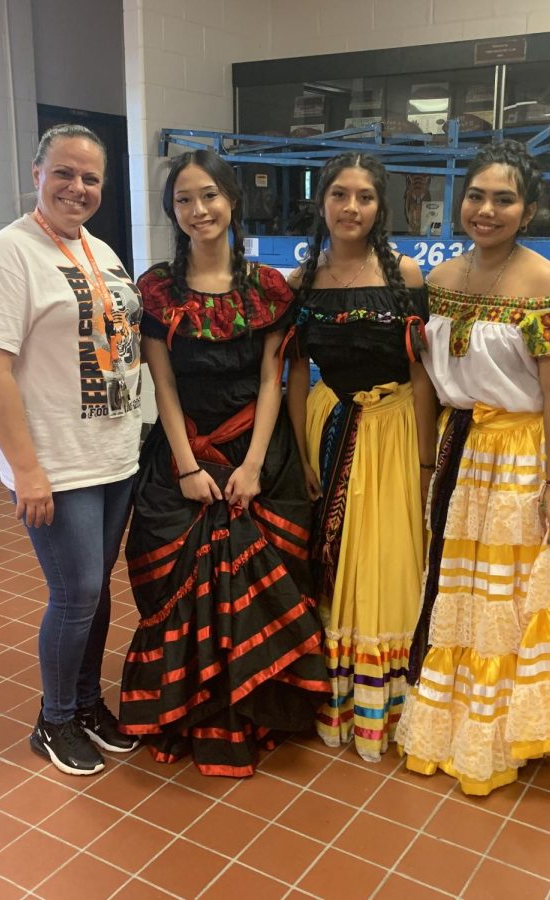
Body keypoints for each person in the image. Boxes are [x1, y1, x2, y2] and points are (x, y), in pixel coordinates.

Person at [397, 140, 550, 796]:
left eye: (504, 199)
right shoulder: (438, 283)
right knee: (465, 590)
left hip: (530, 451)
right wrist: (423, 460)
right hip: (466, 448)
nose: (487, 210)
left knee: (520, 592)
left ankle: (518, 722)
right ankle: (463, 713)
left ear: (527, 209)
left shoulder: (545, 281)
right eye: (476, 196)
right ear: (458, 201)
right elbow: (427, 381)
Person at [118, 149, 328, 777]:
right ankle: (186, 708)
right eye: (183, 199)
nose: (198, 210)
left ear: (232, 200)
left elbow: (273, 378)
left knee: (267, 579)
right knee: (169, 579)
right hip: (183, 454)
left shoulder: (268, 288)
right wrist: (186, 467)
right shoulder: (154, 289)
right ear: (171, 210)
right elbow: (164, 385)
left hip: (255, 457)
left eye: (209, 195)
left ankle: (258, 710)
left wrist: (255, 465)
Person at [0, 124, 142, 777]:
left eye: (91, 177)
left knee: (97, 597)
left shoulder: (101, 251)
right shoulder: (9, 255)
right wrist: (27, 469)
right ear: (36, 173)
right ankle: (55, 719)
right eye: (64, 172)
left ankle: (89, 705)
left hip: (115, 455)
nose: (78, 187)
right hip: (57, 462)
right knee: (77, 593)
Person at [285, 152, 437, 763]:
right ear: (321, 202)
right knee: (334, 559)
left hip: (395, 431)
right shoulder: (302, 282)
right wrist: (300, 452)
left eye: (365, 197)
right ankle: (336, 692)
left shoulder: (405, 275)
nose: (352, 208)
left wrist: (425, 462)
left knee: (389, 560)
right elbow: (295, 373)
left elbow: (422, 374)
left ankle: (390, 704)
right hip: (332, 424)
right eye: (340, 195)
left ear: (381, 206)